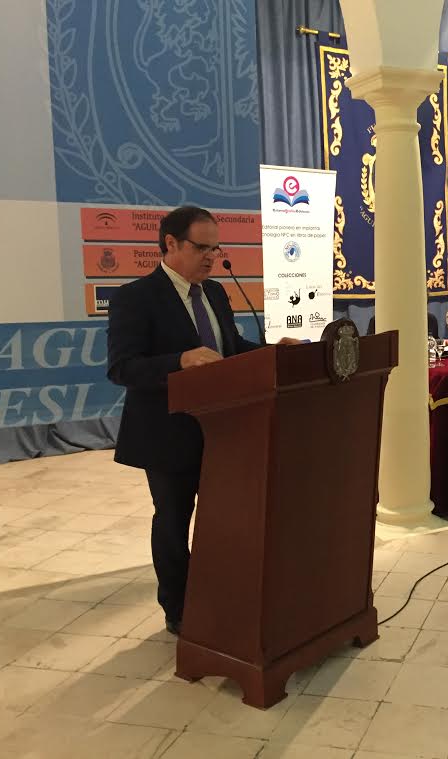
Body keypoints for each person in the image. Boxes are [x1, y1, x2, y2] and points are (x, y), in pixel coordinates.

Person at [106, 205, 296, 635]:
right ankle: (177, 608)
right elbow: (122, 368)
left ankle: (219, 590)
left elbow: (229, 348)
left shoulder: (214, 293)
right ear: (170, 243)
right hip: (168, 433)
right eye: (202, 248)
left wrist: (273, 352)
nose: (211, 257)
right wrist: (179, 361)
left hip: (225, 430)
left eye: (216, 248)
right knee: (173, 521)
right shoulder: (136, 297)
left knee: (225, 518)